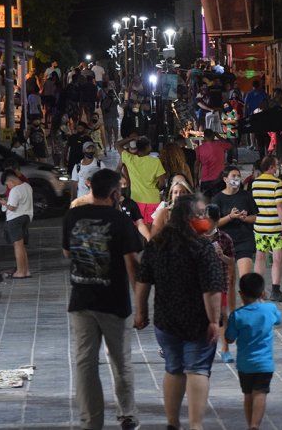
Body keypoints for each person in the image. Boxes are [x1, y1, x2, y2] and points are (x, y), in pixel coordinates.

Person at [134, 194, 227, 430]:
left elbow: (143, 282)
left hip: (166, 320)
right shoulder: (203, 247)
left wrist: (141, 312)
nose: (206, 218)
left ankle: (173, 423)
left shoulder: (157, 244)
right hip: (198, 321)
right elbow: (211, 290)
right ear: (190, 218)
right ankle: (195, 425)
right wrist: (214, 321)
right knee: (197, 369)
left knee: (173, 369)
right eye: (202, 214)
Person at [62, 169, 141, 430]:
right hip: (114, 302)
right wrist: (140, 305)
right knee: (120, 361)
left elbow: (66, 252)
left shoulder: (73, 215)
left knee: (85, 363)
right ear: (115, 193)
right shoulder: (120, 220)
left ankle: (91, 421)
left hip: (81, 300)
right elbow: (133, 264)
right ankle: (127, 414)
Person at [225, 272, 281, 430]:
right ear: (263, 293)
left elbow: (229, 338)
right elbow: (279, 319)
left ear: (240, 294)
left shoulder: (237, 315)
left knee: (248, 394)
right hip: (265, 364)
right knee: (260, 393)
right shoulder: (270, 309)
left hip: (245, 365)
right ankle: (255, 425)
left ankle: (250, 424)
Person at [252, 157, 282, 302]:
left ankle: (259, 290)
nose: (277, 168)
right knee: (278, 259)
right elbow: (280, 207)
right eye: (276, 166)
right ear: (272, 167)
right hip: (275, 227)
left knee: (260, 257)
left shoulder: (255, 183)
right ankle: (275, 290)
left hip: (260, 227)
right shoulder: (277, 183)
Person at [203, 204, 236, 364]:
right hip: (200, 284)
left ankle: (225, 349)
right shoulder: (196, 237)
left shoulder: (225, 238)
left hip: (218, 283)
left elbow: (231, 261)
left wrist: (221, 255)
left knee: (222, 315)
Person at [212, 166, 258, 278]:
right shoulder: (217, 199)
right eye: (233, 176)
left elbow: (256, 217)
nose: (236, 178)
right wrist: (230, 217)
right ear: (225, 179)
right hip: (225, 244)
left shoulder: (246, 195)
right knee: (229, 281)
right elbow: (213, 223)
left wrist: (245, 218)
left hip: (244, 241)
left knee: (245, 277)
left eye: (238, 176)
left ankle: (247, 294)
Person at [116, 135, 167, 223]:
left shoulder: (130, 159)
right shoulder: (155, 161)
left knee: (139, 228)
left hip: (136, 200)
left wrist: (131, 138)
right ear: (148, 147)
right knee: (153, 230)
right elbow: (162, 183)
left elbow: (117, 145)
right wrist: (156, 189)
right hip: (153, 200)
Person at [0, 171, 33, 279]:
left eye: (7, 184)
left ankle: (20, 272)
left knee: (17, 246)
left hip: (15, 219)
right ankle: (26, 271)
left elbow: (12, 207)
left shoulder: (15, 190)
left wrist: (4, 203)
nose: (8, 187)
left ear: (11, 181)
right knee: (21, 246)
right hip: (26, 217)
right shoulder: (27, 186)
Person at [195, 129, 232, 198]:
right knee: (220, 201)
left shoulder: (199, 149)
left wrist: (196, 180)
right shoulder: (221, 145)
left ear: (204, 137)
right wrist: (219, 137)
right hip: (219, 179)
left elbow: (197, 165)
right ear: (213, 136)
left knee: (206, 202)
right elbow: (230, 145)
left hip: (205, 179)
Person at [118, 176, 151, 241]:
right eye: (120, 184)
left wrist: (148, 237)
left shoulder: (130, 203)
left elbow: (140, 224)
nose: (123, 187)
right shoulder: (107, 203)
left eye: (125, 184)